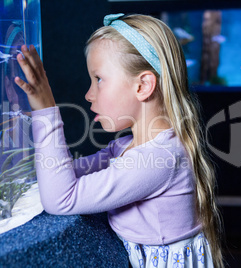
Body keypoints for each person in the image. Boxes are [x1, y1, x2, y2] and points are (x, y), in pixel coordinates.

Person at [15, 13, 224, 268]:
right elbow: (65, 174)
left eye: (99, 79)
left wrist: (45, 111)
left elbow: (61, 198)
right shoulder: (125, 147)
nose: (89, 94)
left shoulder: (158, 159)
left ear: (143, 86)